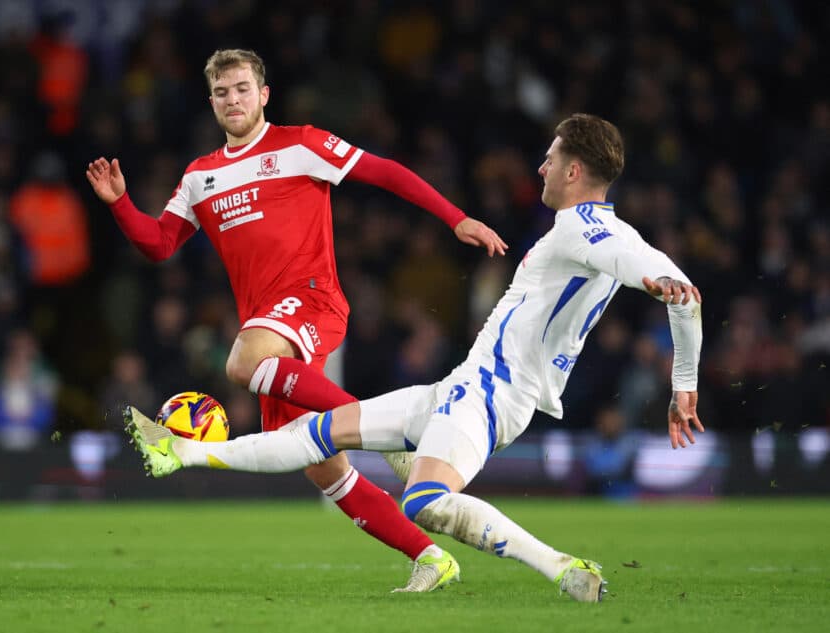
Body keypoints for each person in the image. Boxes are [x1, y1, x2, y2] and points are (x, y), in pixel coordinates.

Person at [126, 113, 705, 602]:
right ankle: (180, 452)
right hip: (462, 385)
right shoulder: (598, 230)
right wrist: (683, 386)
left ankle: (562, 569)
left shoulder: (584, 227)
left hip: (490, 396)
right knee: (318, 435)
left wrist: (653, 285)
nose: (541, 169)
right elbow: (684, 292)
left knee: (425, 502)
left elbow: (664, 282)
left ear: (575, 170)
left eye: (550, 160)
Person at [86, 48, 507, 592]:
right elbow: (160, 244)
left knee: (244, 360)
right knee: (320, 466)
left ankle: (394, 434)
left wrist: (456, 218)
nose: (232, 100)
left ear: (264, 95)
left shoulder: (301, 144)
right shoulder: (200, 177)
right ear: (211, 101)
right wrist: (121, 204)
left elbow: (385, 172)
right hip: (268, 322)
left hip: (312, 300)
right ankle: (430, 556)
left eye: (242, 89)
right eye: (221, 92)